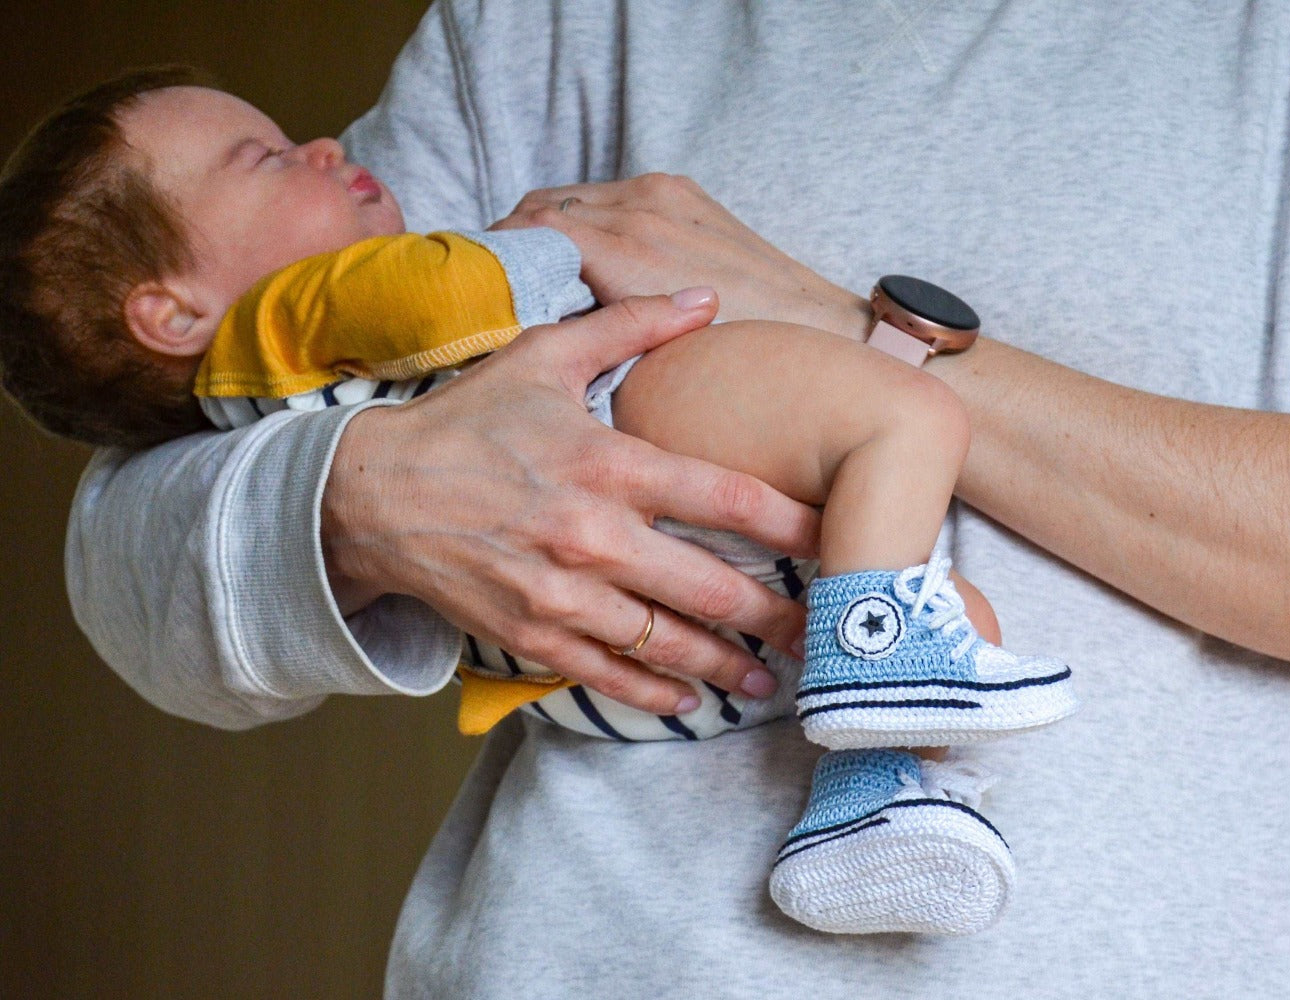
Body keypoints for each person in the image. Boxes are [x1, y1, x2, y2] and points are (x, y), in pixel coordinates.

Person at [54, 2, 1290, 997]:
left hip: (1172, 959)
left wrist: (835, 328)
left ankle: (880, 767)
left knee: (962, 616)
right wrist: (367, 491)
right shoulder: (541, 25)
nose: (314, 149)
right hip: (606, 958)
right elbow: (142, 513)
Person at [0, 72, 1076, 934]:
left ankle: (864, 797)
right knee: (903, 417)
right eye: (271, 156)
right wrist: (568, 241)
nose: (327, 147)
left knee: (942, 626)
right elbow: (449, 287)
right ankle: (875, 687)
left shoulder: (252, 394)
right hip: (618, 416)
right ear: (171, 310)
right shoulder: (305, 303)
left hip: (604, 686)